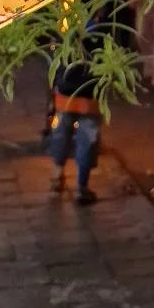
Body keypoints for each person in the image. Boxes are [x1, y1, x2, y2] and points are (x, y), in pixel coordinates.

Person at [49, 44, 103, 207]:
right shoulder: (99, 28)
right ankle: (82, 188)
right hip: (90, 93)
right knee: (87, 140)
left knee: (61, 135)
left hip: (65, 92)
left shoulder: (63, 25)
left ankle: (57, 176)